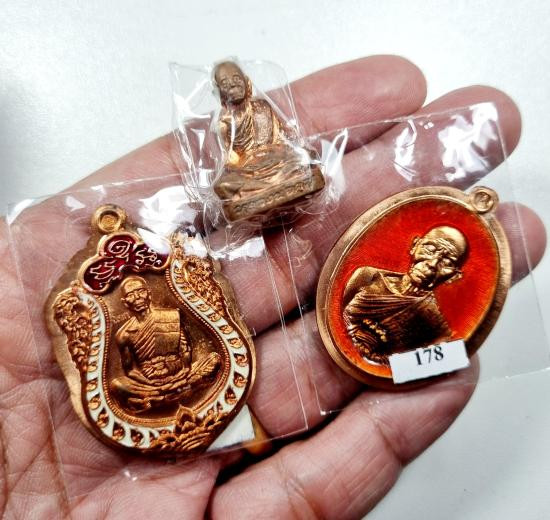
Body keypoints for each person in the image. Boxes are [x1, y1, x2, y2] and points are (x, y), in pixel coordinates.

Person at [1, 56, 545, 518]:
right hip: (148, 390)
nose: (430, 261)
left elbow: (198, 348)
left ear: (452, 274)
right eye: (428, 248)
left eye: (444, 260)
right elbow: (123, 374)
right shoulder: (363, 279)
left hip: (204, 357)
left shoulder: (433, 324)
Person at [212, 61, 323, 217]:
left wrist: (287, 152)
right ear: (219, 93)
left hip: (277, 158)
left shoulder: (262, 106)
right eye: (225, 83)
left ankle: (270, 189)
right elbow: (232, 160)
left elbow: (280, 139)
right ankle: (276, 188)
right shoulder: (224, 123)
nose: (232, 85)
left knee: (305, 156)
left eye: (236, 79)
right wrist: (247, 165)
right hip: (248, 169)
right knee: (224, 186)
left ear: (247, 82)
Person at [343, 226, 467, 364]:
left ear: (454, 276)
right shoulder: (368, 276)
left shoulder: (435, 328)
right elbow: (333, 312)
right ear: (415, 245)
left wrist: (376, 361)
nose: (432, 264)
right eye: (430, 249)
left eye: (447, 263)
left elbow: (425, 366)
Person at [110, 275, 220, 412]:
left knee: (214, 359)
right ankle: (184, 389)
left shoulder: (170, 316)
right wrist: (150, 382)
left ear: (149, 294)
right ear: (125, 302)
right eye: (131, 295)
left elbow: (185, 349)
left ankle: (156, 400)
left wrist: (185, 370)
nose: (137, 297)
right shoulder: (123, 335)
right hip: (151, 384)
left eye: (141, 291)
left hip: (181, 374)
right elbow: (130, 370)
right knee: (117, 385)